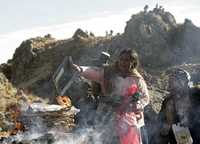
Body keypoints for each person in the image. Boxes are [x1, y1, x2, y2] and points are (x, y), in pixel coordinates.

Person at [73, 49, 149, 144]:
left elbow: (145, 97)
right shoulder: (108, 72)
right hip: (107, 116)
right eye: (121, 59)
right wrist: (80, 69)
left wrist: (136, 105)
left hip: (128, 120)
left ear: (133, 62)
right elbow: (93, 72)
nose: (123, 62)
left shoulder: (137, 79)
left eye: (127, 60)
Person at [159, 68, 192, 144]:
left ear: (183, 82)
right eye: (170, 80)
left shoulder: (195, 96)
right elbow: (161, 124)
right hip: (177, 134)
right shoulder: (168, 101)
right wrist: (168, 123)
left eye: (173, 80)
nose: (169, 83)